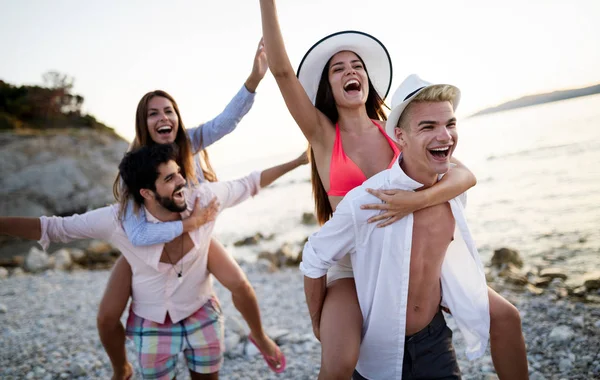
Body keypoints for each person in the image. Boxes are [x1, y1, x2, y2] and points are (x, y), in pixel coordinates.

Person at [259, 1, 527, 379]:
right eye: (339, 69)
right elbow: (283, 72)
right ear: (327, 86)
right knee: (339, 362)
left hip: (406, 254)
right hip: (351, 267)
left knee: (504, 318)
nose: (351, 72)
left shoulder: (397, 130)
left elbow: (463, 176)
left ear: (368, 80)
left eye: (357, 66)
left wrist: (415, 201)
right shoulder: (322, 135)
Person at [0, 143, 294, 380]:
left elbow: (250, 183)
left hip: (201, 312)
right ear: (146, 193)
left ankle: (261, 336)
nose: (182, 182)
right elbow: (54, 228)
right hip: (151, 323)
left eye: (179, 172)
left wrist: (299, 162)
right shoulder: (118, 221)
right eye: (169, 178)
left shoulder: (203, 199)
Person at [97, 40, 296, 379]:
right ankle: (121, 369)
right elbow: (138, 231)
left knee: (242, 285)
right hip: (146, 248)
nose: (164, 118)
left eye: (169, 111)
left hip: (193, 241)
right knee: (106, 315)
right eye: (154, 113)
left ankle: (260, 337)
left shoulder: (188, 143)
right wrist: (187, 224)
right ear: (143, 125)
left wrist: (254, 79)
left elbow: (226, 121)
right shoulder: (137, 166)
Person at [302, 75, 490, 379]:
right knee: (336, 367)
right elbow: (313, 258)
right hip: (377, 346)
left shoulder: (453, 189)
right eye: (428, 127)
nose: (444, 136)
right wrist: (317, 320)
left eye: (450, 124)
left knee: (507, 318)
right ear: (400, 137)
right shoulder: (367, 199)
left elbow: (438, 249)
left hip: (434, 342)